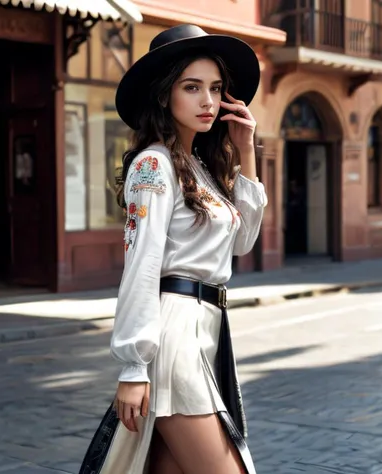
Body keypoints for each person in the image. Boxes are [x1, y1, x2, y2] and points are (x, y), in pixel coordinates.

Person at [78, 24, 267, 474]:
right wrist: (132, 367)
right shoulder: (153, 164)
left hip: (209, 332)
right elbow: (141, 267)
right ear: (165, 95)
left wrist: (247, 154)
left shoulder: (200, 167)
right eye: (192, 87)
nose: (208, 101)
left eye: (216, 89)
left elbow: (243, 242)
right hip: (175, 337)